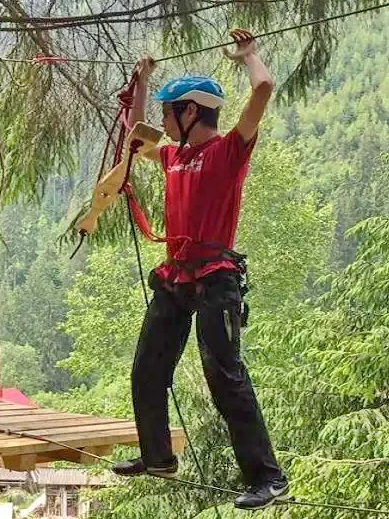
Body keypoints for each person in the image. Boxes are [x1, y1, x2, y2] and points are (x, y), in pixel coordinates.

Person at [110, 29, 289, 510]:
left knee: (223, 375)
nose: (164, 123)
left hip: (215, 278)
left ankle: (267, 477)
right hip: (176, 277)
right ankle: (158, 456)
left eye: (170, 113)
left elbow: (263, 90)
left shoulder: (229, 151)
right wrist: (142, 81)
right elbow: (137, 136)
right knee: (148, 369)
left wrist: (249, 55)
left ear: (190, 112)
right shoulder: (173, 155)